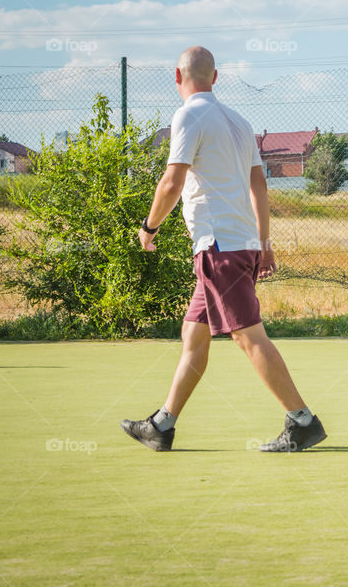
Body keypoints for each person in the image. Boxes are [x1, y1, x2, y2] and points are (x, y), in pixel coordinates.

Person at [121, 46, 325, 453]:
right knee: (193, 336)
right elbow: (260, 186)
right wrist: (263, 243)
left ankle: (302, 421)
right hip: (238, 247)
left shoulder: (188, 115)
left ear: (176, 78)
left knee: (250, 338)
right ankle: (162, 425)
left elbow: (171, 183)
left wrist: (149, 227)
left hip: (220, 249)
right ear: (215, 78)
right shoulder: (239, 122)